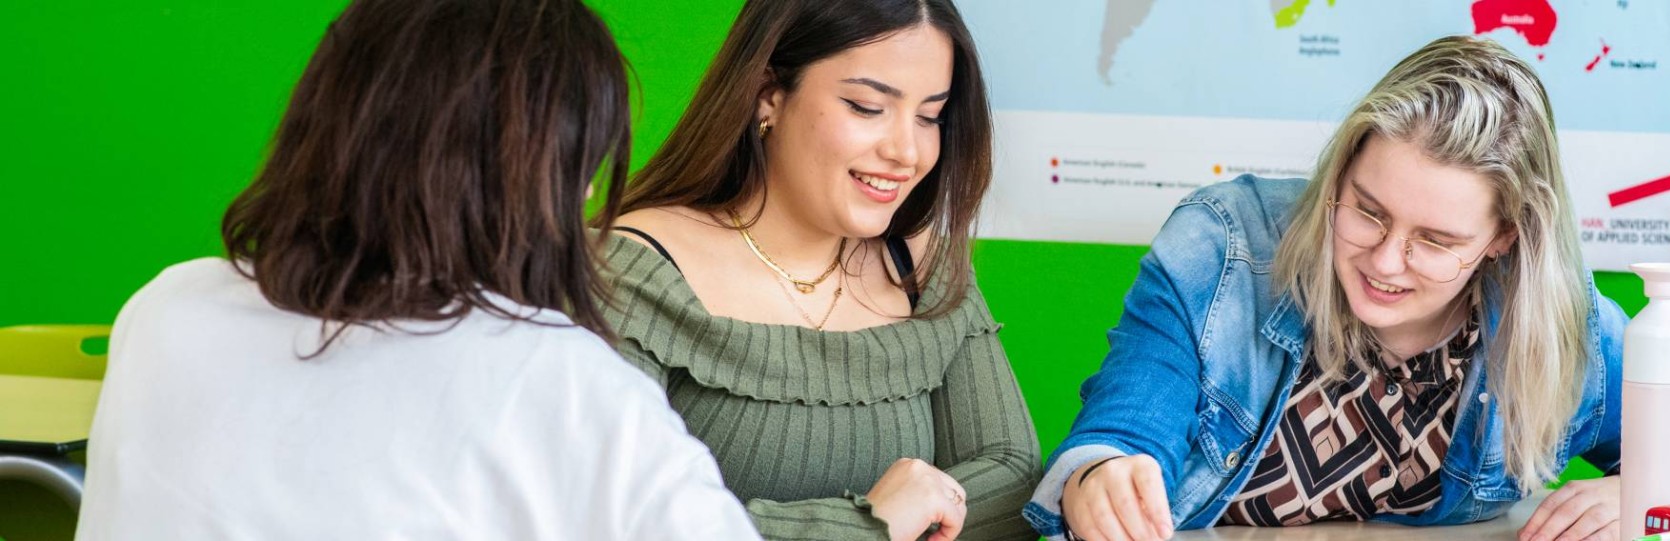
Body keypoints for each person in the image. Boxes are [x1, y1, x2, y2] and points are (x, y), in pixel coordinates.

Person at [1024, 36, 1670, 541]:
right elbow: (1124, 424)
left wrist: (1660, 488)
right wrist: (1100, 474)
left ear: (1503, 238)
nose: (1385, 261)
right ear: (1340, 174)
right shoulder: (1223, 246)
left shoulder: (1549, 318)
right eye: (1367, 211)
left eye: (1437, 241)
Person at [75, 0, 755, 538]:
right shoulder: (566, 386)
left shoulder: (166, 309)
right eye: (582, 171)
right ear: (537, 177)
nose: (585, 202)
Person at [598, 1, 1039, 540]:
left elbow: (1012, 476)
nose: (907, 151)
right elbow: (608, 518)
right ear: (768, 93)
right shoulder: (633, 269)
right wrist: (870, 527)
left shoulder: (924, 268)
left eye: (930, 117)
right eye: (867, 106)